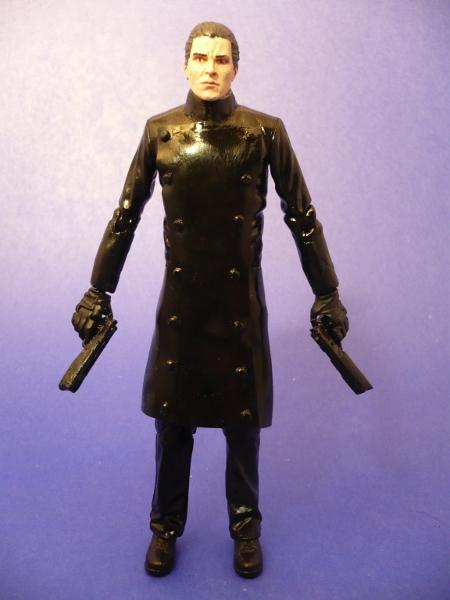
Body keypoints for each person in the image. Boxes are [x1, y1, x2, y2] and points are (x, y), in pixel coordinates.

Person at [71, 21, 349, 579]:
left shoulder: (265, 132)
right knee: (173, 422)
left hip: (239, 304)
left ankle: (246, 527)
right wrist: (98, 289)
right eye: (200, 57)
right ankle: (164, 526)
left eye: (221, 59)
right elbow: (125, 216)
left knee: (242, 426)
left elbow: (302, 216)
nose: (210, 69)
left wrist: (328, 293)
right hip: (181, 306)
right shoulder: (160, 131)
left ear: (235, 68)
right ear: (185, 65)